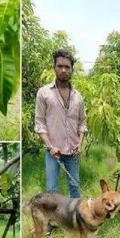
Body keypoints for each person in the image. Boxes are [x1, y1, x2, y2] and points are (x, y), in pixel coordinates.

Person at [34, 49, 87, 198]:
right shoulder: (44, 93)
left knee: (75, 187)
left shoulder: (78, 97)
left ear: (72, 70)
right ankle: (52, 221)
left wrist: (80, 143)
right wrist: (50, 146)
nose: (63, 70)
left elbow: (82, 122)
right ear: (54, 67)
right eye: (60, 66)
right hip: (53, 152)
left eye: (67, 67)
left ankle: (76, 219)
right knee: (52, 190)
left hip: (73, 151)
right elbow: (39, 123)